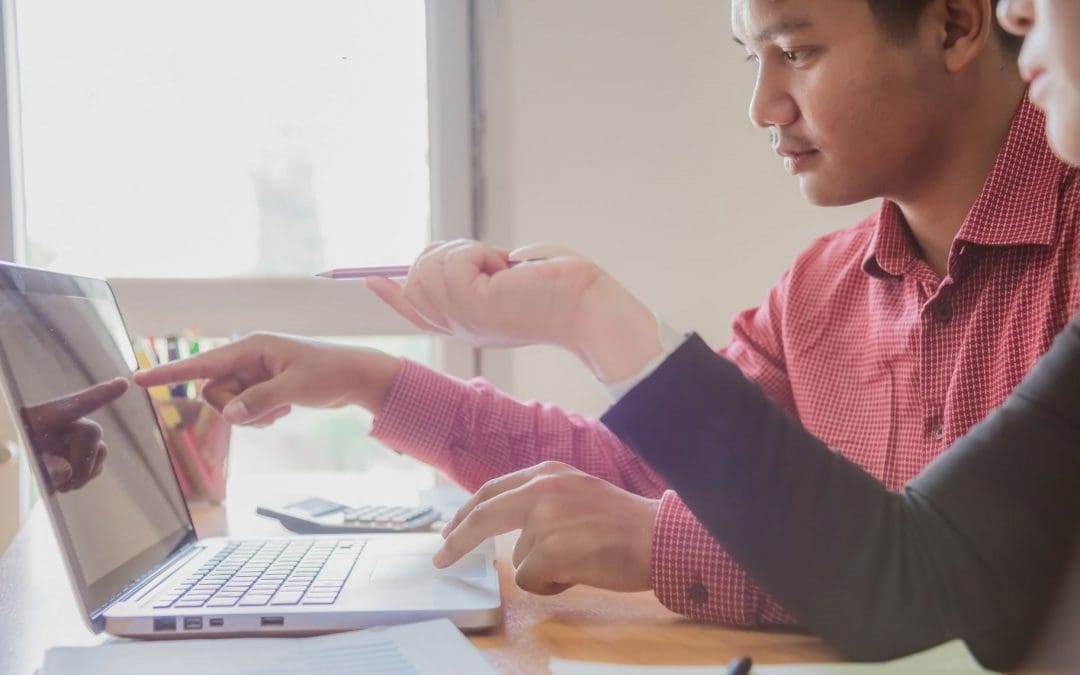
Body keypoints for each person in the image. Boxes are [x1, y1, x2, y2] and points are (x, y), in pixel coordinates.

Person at [135, 0, 1080, 634]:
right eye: (753, 58)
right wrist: (366, 380)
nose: (762, 105)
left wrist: (654, 543)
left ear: (958, 23)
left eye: (797, 51)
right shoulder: (822, 290)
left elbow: (958, 587)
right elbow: (651, 470)